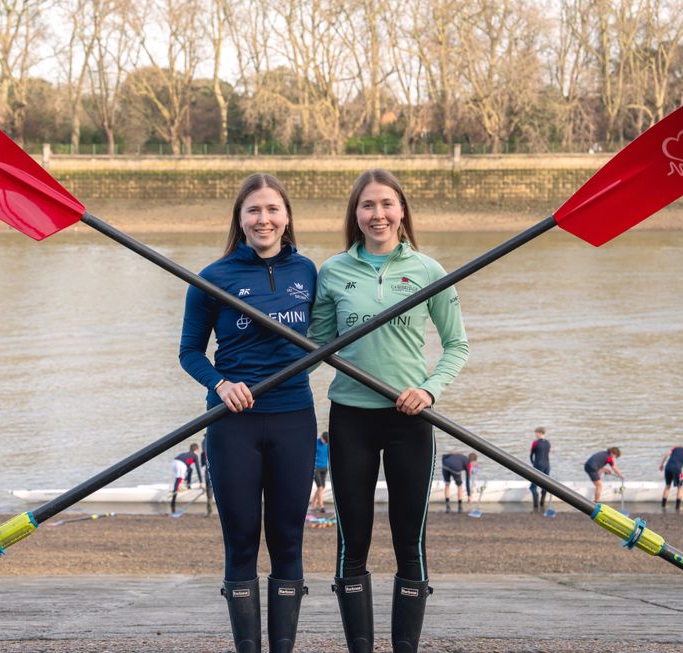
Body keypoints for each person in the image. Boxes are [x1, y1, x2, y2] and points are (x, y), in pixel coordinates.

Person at [308, 168, 469, 653]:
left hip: (409, 419)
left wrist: (430, 390)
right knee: (351, 539)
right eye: (367, 206)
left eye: (386, 205)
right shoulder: (334, 271)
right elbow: (314, 342)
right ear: (355, 215)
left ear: (402, 211)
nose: (377, 214)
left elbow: (456, 346)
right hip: (350, 418)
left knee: (409, 541)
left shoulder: (428, 271)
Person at [178, 173, 317, 653]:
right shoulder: (213, 278)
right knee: (240, 543)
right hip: (232, 423)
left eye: (272, 210)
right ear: (240, 219)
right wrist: (220, 382)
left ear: (287, 217)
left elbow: (328, 333)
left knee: (288, 541)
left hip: (294, 418)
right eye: (254, 211)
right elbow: (190, 352)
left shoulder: (307, 272)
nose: (264, 219)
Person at [170, 443, 203, 514]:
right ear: (197, 449)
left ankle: (188, 485)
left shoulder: (187, 454)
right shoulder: (195, 455)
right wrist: (201, 482)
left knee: (190, 470)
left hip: (174, 462)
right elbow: (198, 469)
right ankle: (173, 499)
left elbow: (188, 465)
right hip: (180, 464)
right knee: (179, 479)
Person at [529, 427, 551, 511]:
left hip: (538, 465)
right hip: (547, 466)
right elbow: (547, 454)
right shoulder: (548, 443)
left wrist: (533, 463)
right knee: (545, 485)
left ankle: (535, 505)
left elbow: (531, 455)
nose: (535, 434)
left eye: (536, 433)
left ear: (540, 433)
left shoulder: (535, 443)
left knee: (533, 487)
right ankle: (542, 503)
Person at [312, 431, 330, 513]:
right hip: (316, 468)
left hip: (324, 468)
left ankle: (313, 504)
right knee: (320, 487)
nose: (324, 442)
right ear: (321, 437)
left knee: (322, 487)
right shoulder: (315, 442)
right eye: (324, 440)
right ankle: (322, 506)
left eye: (326, 441)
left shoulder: (327, 444)